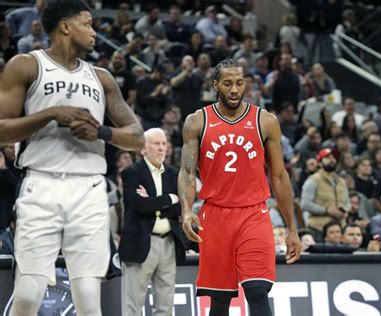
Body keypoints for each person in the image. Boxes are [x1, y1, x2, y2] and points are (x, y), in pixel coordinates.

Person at [0, 1, 145, 315]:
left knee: (89, 299)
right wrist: (51, 114)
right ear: (65, 27)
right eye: (88, 24)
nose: (94, 32)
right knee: (27, 294)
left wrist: (101, 133)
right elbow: (2, 131)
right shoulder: (26, 65)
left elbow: (137, 137)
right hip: (41, 183)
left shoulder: (102, 77)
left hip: (89, 188)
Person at [178, 58, 301, 316]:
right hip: (215, 215)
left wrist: (292, 228)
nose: (234, 89)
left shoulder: (265, 121)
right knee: (220, 301)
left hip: (253, 213)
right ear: (216, 86)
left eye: (239, 82)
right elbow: (187, 173)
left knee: (257, 291)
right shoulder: (197, 121)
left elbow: (279, 176)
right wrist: (187, 210)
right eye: (227, 83)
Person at [119, 128, 186, 316]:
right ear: (144, 148)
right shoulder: (131, 172)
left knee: (165, 306)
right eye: (156, 143)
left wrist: (154, 201)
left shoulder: (174, 174)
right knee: (133, 306)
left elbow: (180, 208)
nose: (161, 148)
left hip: (168, 243)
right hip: (140, 242)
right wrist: (169, 198)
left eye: (164, 144)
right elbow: (139, 205)